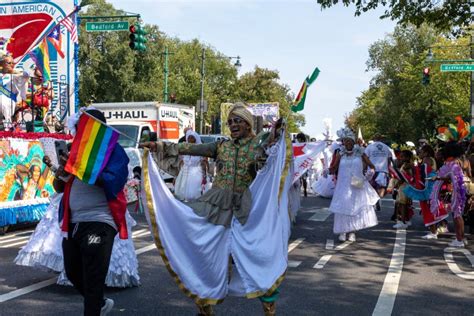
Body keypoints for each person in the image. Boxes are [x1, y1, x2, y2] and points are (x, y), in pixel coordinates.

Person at [140, 102, 286, 316]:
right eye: (230, 122)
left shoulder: (257, 143)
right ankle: (204, 305)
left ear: (247, 124)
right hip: (215, 206)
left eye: (238, 121)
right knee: (205, 251)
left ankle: (269, 307)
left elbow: (274, 139)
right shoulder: (221, 146)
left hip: (247, 209)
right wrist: (159, 146)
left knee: (258, 255)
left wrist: (278, 129)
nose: (233, 125)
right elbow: (188, 148)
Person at [54, 109, 130, 315]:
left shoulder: (115, 152)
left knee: (93, 278)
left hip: (100, 222)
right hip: (73, 223)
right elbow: (58, 187)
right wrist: (62, 172)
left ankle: (94, 305)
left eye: (83, 129)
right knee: (72, 272)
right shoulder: (76, 151)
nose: (79, 133)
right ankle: (100, 303)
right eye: (78, 129)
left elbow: (114, 182)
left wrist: (80, 168)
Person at [329, 128, 378, 242]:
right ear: (344, 142)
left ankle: (352, 232)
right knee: (343, 207)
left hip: (357, 182)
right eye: (346, 141)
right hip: (343, 184)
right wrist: (328, 171)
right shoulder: (340, 153)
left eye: (350, 141)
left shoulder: (360, 152)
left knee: (354, 206)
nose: (348, 143)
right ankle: (342, 231)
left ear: (353, 142)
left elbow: (372, 166)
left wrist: (369, 175)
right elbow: (334, 167)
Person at [402, 145, 448, 238]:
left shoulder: (427, 159)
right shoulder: (427, 160)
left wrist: (413, 167)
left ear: (426, 153)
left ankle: (433, 232)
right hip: (428, 187)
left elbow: (424, 172)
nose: (419, 153)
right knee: (430, 208)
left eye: (421, 152)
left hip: (427, 188)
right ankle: (436, 229)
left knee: (427, 209)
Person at [430, 141, 467, 247]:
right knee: (458, 214)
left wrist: (437, 178)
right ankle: (460, 238)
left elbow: (452, 176)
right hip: (461, 189)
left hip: (459, 190)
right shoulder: (460, 160)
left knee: (457, 215)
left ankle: (459, 240)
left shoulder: (454, 163)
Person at [174, 130, 208, 201]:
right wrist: (176, 176)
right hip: (184, 173)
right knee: (181, 194)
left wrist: (204, 176)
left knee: (193, 195)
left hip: (195, 173)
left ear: (196, 139)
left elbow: (204, 163)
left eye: (192, 138)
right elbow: (181, 162)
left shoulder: (200, 149)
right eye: (189, 138)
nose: (190, 140)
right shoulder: (184, 149)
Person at [364, 133, 395, 211]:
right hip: (383, 170)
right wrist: (390, 170)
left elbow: (365, 158)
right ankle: (378, 198)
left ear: (374, 138)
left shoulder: (369, 147)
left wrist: (364, 168)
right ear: (381, 139)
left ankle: (375, 200)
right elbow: (390, 160)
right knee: (382, 187)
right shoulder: (387, 148)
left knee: (372, 187)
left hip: (372, 170)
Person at [0, 52, 29, 130]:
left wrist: (13, 72)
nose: (11, 64)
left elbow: (25, 75)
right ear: (2, 64)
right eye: (9, 63)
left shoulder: (16, 72)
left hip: (8, 99)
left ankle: (7, 129)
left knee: (3, 103)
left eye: (13, 63)